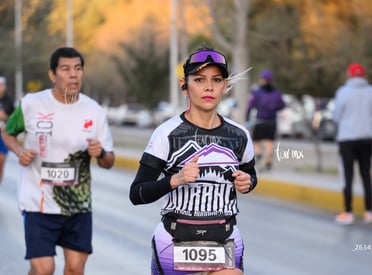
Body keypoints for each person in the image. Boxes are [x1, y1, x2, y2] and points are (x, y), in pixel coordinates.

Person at [129, 46, 257, 275]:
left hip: (225, 238)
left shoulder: (239, 135)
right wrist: (175, 179)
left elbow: (251, 175)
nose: (209, 87)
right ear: (184, 85)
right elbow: (137, 193)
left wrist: (248, 182)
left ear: (225, 86)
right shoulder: (166, 133)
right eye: (199, 79)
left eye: (216, 80)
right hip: (174, 240)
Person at [1, 47, 115, 275]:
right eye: (66, 69)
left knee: (74, 269)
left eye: (78, 68)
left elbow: (109, 160)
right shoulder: (32, 104)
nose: (73, 74)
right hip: (38, 203)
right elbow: (7, 132)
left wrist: (101, 152)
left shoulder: (94, 111)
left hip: (78, 206)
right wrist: (17, 149)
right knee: (43, 269)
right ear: (53, 75)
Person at [333, 63, 372, 225]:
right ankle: (369, 212)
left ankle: (348, 212)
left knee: (348, 175)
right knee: (366, 174)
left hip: (347, 139)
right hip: (367, 138)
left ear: (349, 74)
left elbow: (336, 115)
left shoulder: (343, 92)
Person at [246, 69, 285, 171]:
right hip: (272, 121)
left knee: (256, 142)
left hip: (260, 121)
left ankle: (259, 156)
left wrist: (247, 115)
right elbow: (282, 105)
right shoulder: (276, 93)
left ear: (262, 79)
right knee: (269, 143)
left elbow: (251, 106)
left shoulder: (257, 92)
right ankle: (268, 163)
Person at [0, 76, 15, 184]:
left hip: (4, 134)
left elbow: (14, 119)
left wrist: (5, 117)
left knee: (1, 161)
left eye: (2, 85)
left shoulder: (8, 101)